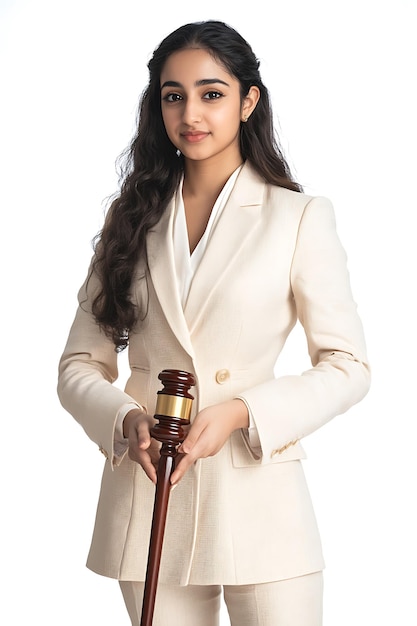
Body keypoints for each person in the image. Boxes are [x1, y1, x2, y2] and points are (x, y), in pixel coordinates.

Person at [57, 19, 370, 626]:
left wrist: (243, 412)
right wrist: (123, 418)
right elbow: (79, 364)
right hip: (150, 496)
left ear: (249, 101)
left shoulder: (298, 216)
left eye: (212, 93)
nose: (191, 113)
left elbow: (349, 366)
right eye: (173, 95)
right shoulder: (131, 218)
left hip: (261, 503)